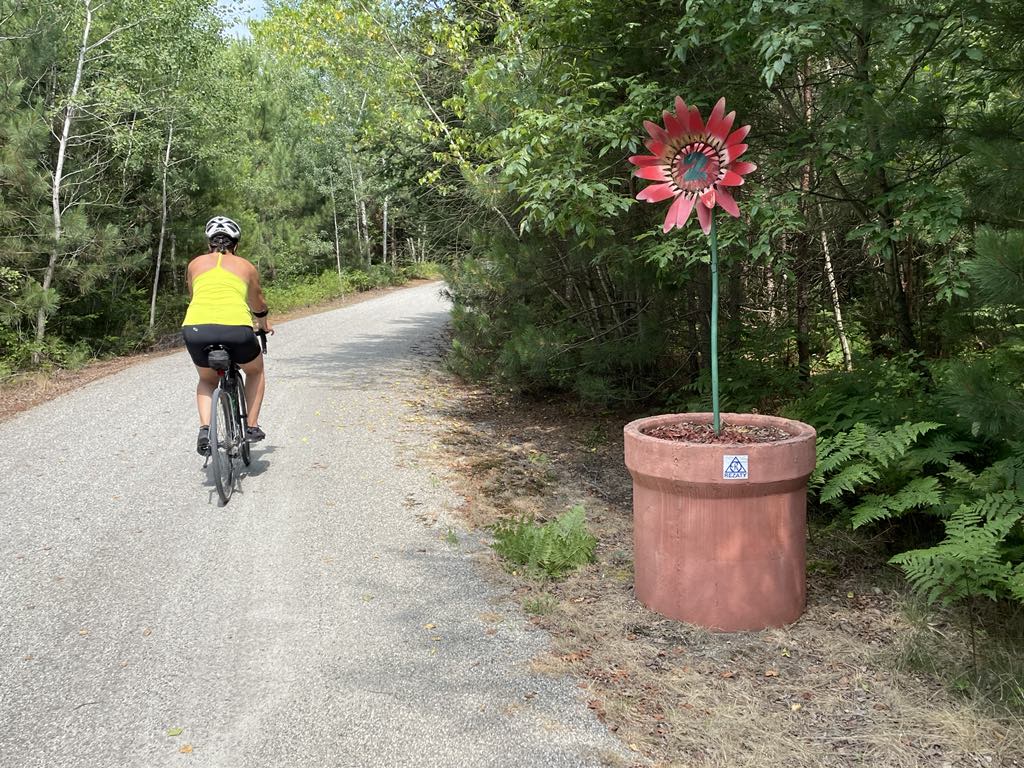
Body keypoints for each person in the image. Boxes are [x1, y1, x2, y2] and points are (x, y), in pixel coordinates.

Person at [181, 216, 274, 456]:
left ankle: (205, 430)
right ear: (236, 244)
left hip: (196, 328)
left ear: (209, 243)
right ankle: (251, 426)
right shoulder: (246, 266)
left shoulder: (195, 264)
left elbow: (194, 295)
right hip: (236, 328)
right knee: (255, 371)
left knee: (207, 379)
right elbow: (258, 302)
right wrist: (262, 324)